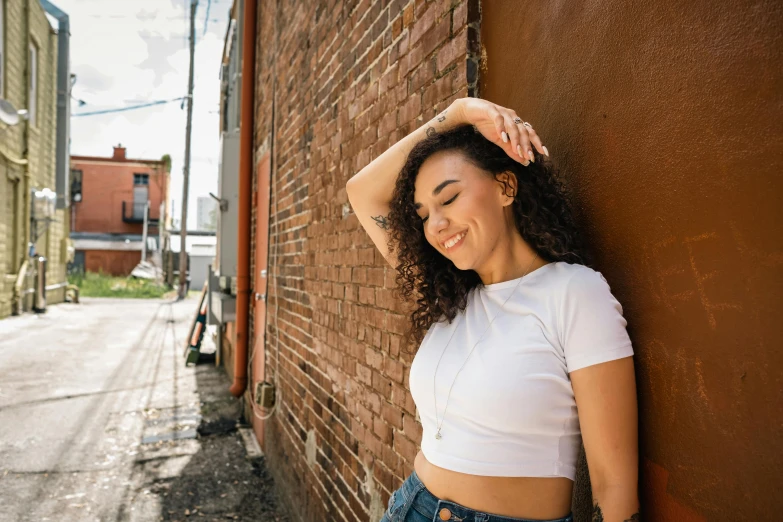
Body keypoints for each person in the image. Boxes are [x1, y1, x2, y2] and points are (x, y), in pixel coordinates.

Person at [346, 98, 639, 522]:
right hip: (410, 507)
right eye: (423, 214)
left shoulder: (575, 293)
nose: (436, 225)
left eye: (449, 198)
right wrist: (459, 111)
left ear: (506, 187)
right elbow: (361, 191)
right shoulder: (455, 296)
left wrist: (463, 118)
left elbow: (614, 487)